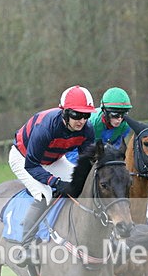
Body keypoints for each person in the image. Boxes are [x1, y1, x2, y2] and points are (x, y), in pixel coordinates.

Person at [8, 85, 96, 263]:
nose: (81, 121)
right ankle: (24, 247)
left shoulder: (87, 130)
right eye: (76, 115)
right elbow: (31, 165)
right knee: (44, 194)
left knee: (87, 184)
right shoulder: (46, 128)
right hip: (24, 158)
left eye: (86, 115)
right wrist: (55, 183)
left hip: (54, 159)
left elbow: (87, 163)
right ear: (64, 112)